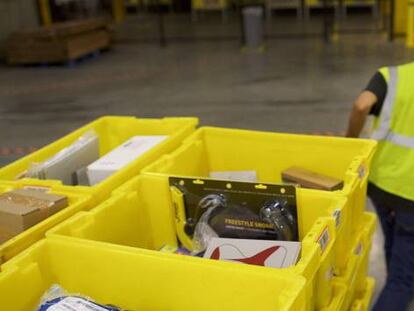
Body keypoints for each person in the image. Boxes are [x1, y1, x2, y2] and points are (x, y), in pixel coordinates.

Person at [346, 62, 414, 311]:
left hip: (381, 184)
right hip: (410, 196)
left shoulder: (392, 76)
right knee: (403, 282)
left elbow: (361, 104)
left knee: (394, 242)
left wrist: (350, 142)